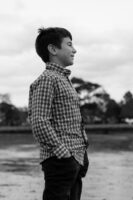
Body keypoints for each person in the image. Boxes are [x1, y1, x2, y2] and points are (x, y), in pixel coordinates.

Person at [28, 27, 89, 200]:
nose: (74, 50)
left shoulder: (63, 79)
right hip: (61, 160)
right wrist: (63, 153)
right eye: (69, 44)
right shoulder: (48, 79)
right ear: (53, 49)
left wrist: (83, 148)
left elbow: (74, 119)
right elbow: (39, 121)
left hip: (76, 157)